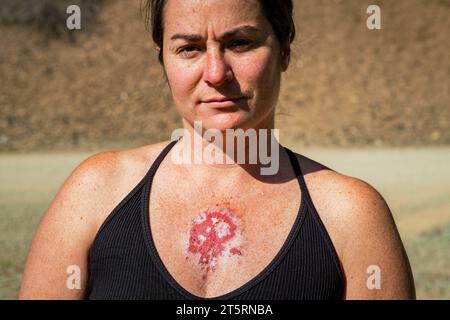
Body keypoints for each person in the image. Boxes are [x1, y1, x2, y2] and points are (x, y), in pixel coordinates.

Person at [19, 0, 415, 300]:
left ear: (285, 51)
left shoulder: (351, 213)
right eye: (189, 48)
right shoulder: (96, 192)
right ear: (163, 61)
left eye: (240, 43)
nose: (215, 74)